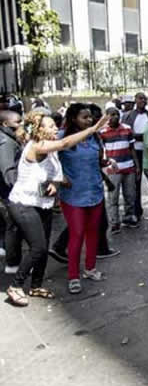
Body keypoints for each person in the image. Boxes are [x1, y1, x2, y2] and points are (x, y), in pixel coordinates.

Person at [4, 112, 107, 306]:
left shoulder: (49, 149)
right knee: (38, 248)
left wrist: (55, 184)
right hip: (24, 204)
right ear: (39, 129)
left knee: (41, 250)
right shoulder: (38, 145)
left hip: (42, 203)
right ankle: (16, 286)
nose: (55, 129)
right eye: (50, 126)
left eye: (54, 126)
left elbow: (56, 176)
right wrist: (92, 129)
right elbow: (65, 143)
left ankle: (35, 286)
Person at [58, 104, 110, 294]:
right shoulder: (62, 136)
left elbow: (98, 160)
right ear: (73, 119)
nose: (89, 120)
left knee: (93, 232)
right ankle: (73, 275)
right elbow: (48, 158)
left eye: (90, 117)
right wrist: (59, 176)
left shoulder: (94, 137)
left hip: (94, 191)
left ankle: (90, 268)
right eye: (84, 117)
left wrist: (107, 163)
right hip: (73, 195)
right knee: (77, 233)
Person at [99, 107, 139, 233]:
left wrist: (137, 166)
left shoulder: (127, 129)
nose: (115, 117)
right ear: (106, 116)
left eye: (117, 114)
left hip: (129, 167)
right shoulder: (103, 132)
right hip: (113, 169)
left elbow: (132, 148)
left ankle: (128, 217)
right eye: (112, 114)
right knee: (113, 197)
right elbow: (101, 152)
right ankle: (114, 222)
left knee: (130, 195)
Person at [0, 110, 24, 270]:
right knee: (13, 225)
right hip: (10, 193)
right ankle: (12, 262)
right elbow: (8, 172)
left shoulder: (9, 139)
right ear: (5, 124)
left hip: (9, 192)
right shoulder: (6, 143)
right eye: (17, 122)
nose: (21, 125)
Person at [121, 92, 148, 221]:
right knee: (135, 182)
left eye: (145, 99)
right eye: (140, 98)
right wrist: (142, 136)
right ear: (135, 100)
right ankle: (136, 210)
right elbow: (128, 133)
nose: (143, 101)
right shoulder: (128, 116)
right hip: (135, 152)